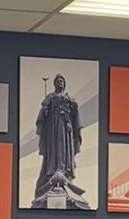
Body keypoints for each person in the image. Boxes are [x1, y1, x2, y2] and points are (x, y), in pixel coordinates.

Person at [31, 73, 89, 209]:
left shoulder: (69, 98)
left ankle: (64, 172)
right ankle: (53, 173)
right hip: (53, 128)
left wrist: (74, 107)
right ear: (55, 84)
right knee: (54, 150)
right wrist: (45, 110)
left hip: (66, 127)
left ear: (65, 84)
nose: (60, 83)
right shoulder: (50, 97)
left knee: (65, 151)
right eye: (58, 81)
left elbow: (75, 116)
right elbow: (43, 114)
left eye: (62, 81)